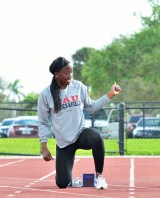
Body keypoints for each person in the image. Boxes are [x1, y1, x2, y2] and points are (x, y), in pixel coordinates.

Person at [37, 56, 121, 190]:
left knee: (96, 137)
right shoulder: (46, 95)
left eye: (71, 72)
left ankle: (99, 177)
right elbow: (42, 122)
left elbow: (91, 108)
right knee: (62, 183)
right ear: (56, 74)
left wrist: (109, 95)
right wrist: (44, 146)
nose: (70, 75)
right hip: (64, 142)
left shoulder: (78, 87)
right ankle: (63, 174)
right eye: (66, 73)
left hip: (81, 134)